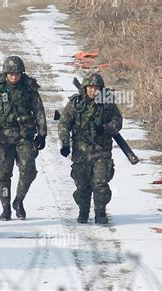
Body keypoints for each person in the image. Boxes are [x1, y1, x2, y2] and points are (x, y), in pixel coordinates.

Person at [0, 56, 47, 221]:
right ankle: (5, 208)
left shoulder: (29, 88)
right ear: (6, 73)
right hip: (4, 138)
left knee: (28, 170)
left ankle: (18, 201)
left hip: (25, 136)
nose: (14, 77)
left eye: (17, 73)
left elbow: (39, 111)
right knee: (4, 174)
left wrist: (42, 133)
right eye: (11, 74)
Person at [58, 73, 122, 224]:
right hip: (80, 152)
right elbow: (64, 123)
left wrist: (105, 128)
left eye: (97, 88)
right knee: (82, 185)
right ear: (85, 88)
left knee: (100, 183)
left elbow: (118, 122)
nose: (93, 91)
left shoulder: (107, 103)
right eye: (90, 87)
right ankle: (83, 212)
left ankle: (100, 213)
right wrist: (65, 143)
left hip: (102, 151)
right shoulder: (76, 103)